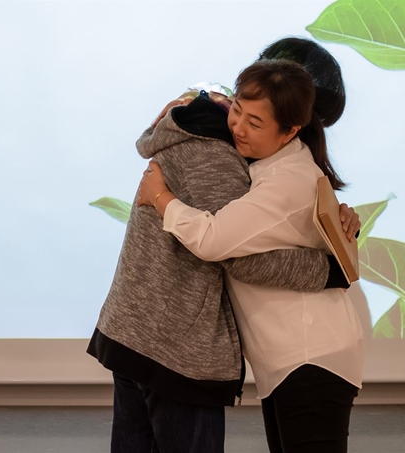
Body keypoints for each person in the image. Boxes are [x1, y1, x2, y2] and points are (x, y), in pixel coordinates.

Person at [87, 44, 359, 453]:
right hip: (177, 344)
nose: (240, 127)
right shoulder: (226, 157)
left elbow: (231, 245)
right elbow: (225, 251)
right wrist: (327, 270)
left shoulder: (247, 157)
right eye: (239, 112)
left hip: (150, 332)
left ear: (291, 129)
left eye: (256, 121)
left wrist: (334, 263)